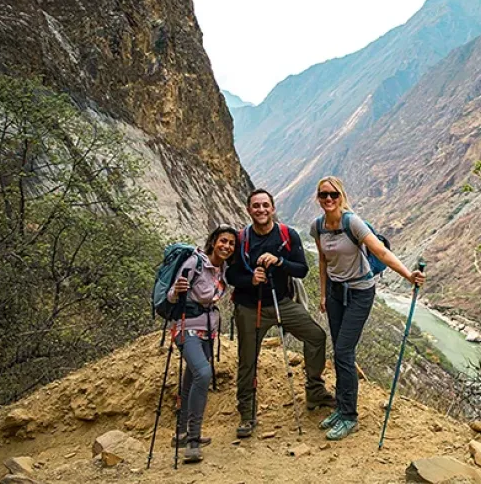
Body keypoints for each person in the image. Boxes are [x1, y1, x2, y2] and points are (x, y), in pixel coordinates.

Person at [310, 176, 425, 440]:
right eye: (323, 195)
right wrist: (324, 294)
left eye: (333, 194)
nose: (328, 199)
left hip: (360, 292)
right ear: (318, 198)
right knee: (339, 352)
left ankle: (349, 416)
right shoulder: (317, 227)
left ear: (341, 196)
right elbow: (324, 262)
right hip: (336, 293)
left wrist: (408, 275)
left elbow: (381, 252)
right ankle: (341, 408)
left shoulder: (353, 222)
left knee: (343, 351)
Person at [226, 188, 335, 438]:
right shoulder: (241, 239)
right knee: (247, 360)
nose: (261, 210)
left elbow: (301, 270)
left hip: (282, 303)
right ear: (248, 210)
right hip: (250, 307)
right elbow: (230, 274)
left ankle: (315, 391)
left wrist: (279, 262)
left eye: (265, 205)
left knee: (316, 336)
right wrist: (250, 279)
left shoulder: (288, 235)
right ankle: (246, 413)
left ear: (273, 208)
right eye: (256, 206)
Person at [168, 224, 237, 463]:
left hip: (208, 331)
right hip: (187, 327)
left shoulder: (223, 268)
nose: (226, 246)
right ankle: (193, 440)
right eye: (223, 241)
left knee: (191, 377)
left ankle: (181, 432)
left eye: (231, 243)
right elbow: (171, 295)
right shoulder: (195, 262)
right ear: (213, 241)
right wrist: (177, 290)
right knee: (203, 374)